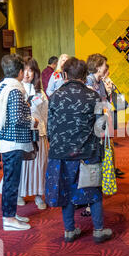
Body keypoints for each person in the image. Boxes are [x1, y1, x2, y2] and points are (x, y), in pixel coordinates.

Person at [45, 57, 112, 243]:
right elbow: (101, 128)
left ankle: (69, 230)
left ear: (65, 75)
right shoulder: (93, 96)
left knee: (65, 192)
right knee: (94, 192)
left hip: (61, 153)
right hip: (88, 152)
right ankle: (98, 230)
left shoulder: (56, 96)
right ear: (84, 75)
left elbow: (50, 128)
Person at [0, 54, 39, 231]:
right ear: (20, 72)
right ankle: (9, 219)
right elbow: (19, 118)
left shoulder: (3, 85)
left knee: (10, 180)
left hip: (5, 139)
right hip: (14, 142)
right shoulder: (15, 90)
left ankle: (10, 213)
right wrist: (33, 120)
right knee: (12, 181)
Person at [0, 57, 48, 209]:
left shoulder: (40, 91)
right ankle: (20, 193)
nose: (27, 74)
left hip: (38, 133)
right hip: (21, 135)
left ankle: (39, 195)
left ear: (35, 72)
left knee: (39, 165)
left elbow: (46, 114)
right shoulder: (15, 89)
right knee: (22, 166)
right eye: (24, 69)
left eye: (30, 70)